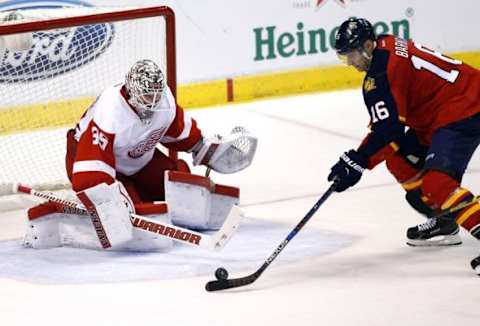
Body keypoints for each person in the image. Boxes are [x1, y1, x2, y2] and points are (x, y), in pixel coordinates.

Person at [24, 59, 257, 251]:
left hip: (138, 159)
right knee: (125, 216)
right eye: (147, 96)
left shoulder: (164, 101)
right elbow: (90, 173)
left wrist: (209, 151)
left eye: (156, 94)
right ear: (132, 91)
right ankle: (63, 220)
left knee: (182, 184)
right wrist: (110, 203)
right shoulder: (111, 111)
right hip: (92, 160)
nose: (153, 102)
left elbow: (183, 134)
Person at [328, 18, 480, 274]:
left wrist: (359, 160)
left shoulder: (381, 73)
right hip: (440, 112)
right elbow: (389, 131)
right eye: (345, 59)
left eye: (353, 55)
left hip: (464, 107)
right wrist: (360, 158)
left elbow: (388, 131)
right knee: (400, 160)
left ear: (367, 45)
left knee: (436, 184)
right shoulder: (385, 48)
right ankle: (445, 220)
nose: (352, 63)